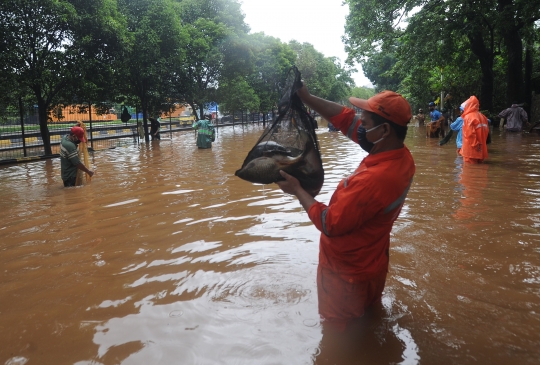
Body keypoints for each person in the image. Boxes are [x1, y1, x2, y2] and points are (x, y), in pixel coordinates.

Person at [276, 84, 416, 330]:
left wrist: (297, 190)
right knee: (371, 326)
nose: (359, 121)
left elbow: (329, 223)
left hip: (345, 276)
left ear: (383, 130)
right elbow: (345, 119)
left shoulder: (373, 179)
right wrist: (307, 98)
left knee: (339, 336)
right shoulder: (400, 156)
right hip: (373, 264)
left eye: (366, 119)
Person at [460, 96, 489, 164]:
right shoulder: (483, 117)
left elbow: (470, 134)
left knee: (469, 171)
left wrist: (476, 146)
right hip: (481, 150)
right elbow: (486, 132)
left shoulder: (468, 117)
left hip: (471, 151)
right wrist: (480, 146)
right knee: (480, 171)